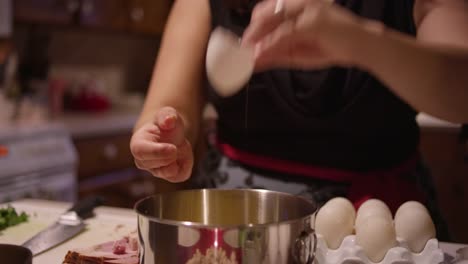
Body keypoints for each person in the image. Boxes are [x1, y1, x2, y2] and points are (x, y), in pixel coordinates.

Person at [130, 0, 467, 240]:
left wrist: (362, 41)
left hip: (375, 222)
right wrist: (162, 134)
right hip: (233, 220)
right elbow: (170, 104)